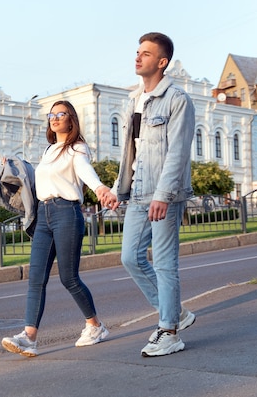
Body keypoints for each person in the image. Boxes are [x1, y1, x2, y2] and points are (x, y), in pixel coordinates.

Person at [1, 100, 118, 357]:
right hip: (44, 215)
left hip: (66, 212)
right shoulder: (49, 150)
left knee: (69, 278)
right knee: (36, 278)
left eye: (60, 114)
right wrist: (11, 166)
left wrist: (100, 188)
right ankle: (29, 337)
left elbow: (84, 170)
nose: (54, 118)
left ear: (70, 119)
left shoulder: (77, 148)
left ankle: (95, 326)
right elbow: (35, 178)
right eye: (51, 114)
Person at [111, 32, 196, 357]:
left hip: (165, 195)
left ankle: (169, 331)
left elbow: (177, 152)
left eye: (145, 53)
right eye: (137, 51)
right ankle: (175, 312)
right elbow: (131, 153)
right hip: (138, 193)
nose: (138, 57)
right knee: (130, 257)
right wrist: (122, 190)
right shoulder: (135, 100)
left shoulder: (177, 100)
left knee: (163, 263)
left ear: (161, 62)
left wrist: (163, 194)